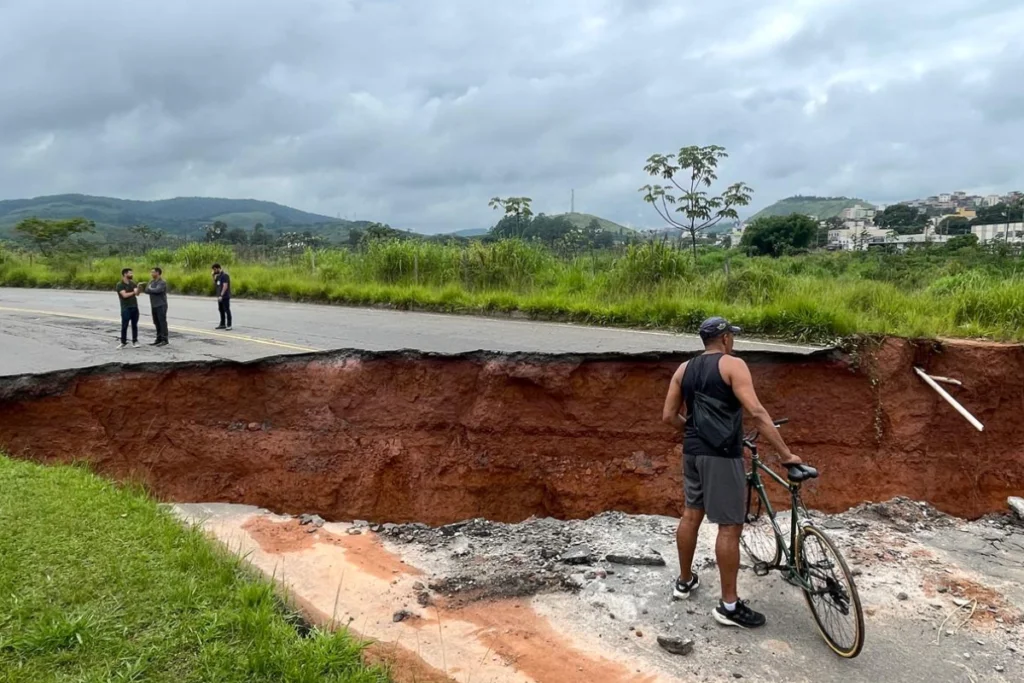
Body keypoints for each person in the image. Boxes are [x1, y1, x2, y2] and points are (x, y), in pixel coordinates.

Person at [662, 316, 801, 629]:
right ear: (724, 339)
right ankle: (728, 606)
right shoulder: (732, 365)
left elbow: (669, 415)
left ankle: (684, 581)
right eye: (731, 336)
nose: (733, 341)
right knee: (729, 526)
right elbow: (756, 412)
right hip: (722, 456)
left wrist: (694, 430)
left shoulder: (683, 369)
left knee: (691, 513)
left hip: (692, 453)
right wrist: (786, 454)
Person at [139, 267, 169, 346]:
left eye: (153, 272)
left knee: (162, 322)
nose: (151, 274)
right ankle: (158, 338)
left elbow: (157, 290)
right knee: (156, 322)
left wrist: (150, 289)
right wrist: (151, 289)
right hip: (154, 305)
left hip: (161, 304)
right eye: (151, 272)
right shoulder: (151, 281)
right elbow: (146, 290)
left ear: (158, 273)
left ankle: (164, 339)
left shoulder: (162, 282)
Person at [115, 268, 140, 349]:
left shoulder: (133, 283)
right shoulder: (120, 284)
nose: (132, 275)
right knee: (124, 325)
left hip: (134, 306)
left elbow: (137, 293)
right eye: (130, 273)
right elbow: (124, 295)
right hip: (126, 307)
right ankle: (123, 342)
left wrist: (138, 289)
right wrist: (133, 292)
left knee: (134, 325)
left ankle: (135, 341)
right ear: (125, 274)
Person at [212, 263, 232, 330]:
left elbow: (225, 286)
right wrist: (213, 276)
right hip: (219, 297)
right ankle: (222, 324)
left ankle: (229, 325)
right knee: (221, 310)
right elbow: (215, 285)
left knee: (227, 310)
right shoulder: (218, 276)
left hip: (224, 296)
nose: (214, 271)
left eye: (214, 269)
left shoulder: (225, 275)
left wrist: (221, 295)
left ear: (218, 268)